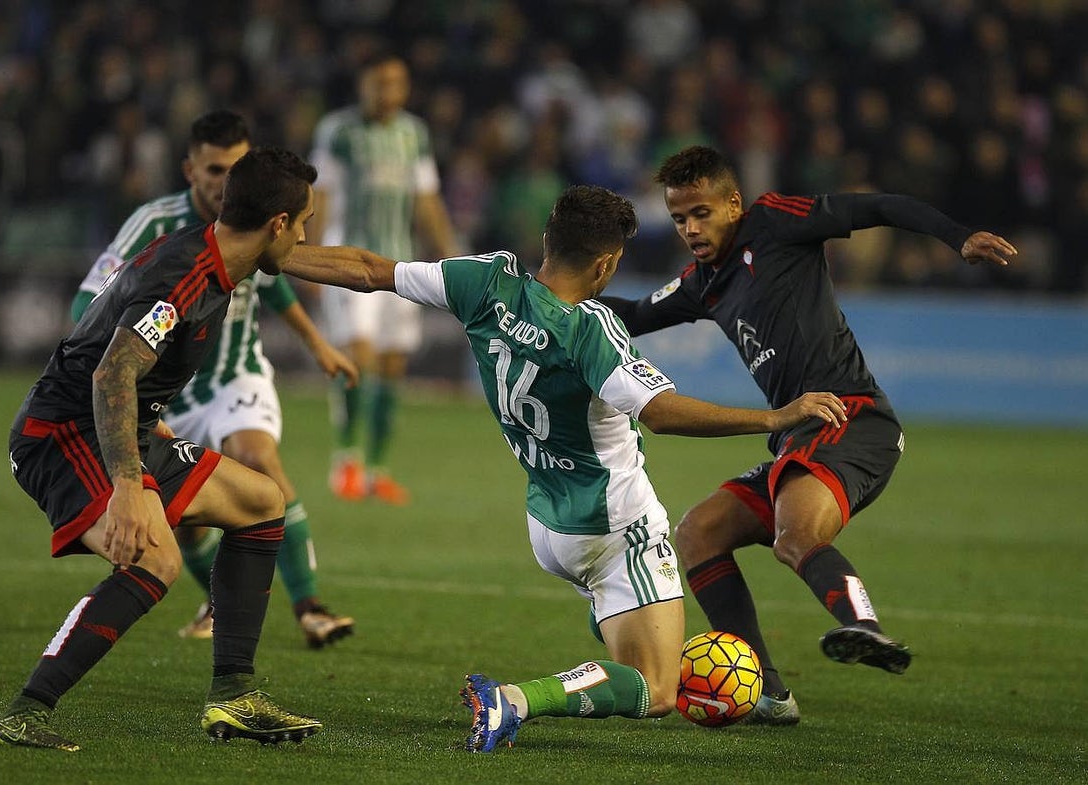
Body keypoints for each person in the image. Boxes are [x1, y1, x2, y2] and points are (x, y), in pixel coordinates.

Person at [280, 184, 848, 752]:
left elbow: (366, 269)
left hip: (548, 523)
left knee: (632, 633)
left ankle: (616, 615)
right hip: (616, 525)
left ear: (548, 239)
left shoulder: (486, 281)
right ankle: (517, 700)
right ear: (606, 263)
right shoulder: (589, 329)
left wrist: (272, 254)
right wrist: (775, 417)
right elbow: (662, 413)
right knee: (656, 689)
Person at [599, 145, 1018, 725]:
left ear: (733, 204)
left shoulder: (772, 223)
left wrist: (957, 236)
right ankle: (770, 694)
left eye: (702, 213)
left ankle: (864, 627)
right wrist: (551, 296)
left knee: (794, 538)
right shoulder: (702, 283)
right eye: (679, 218)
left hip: (850, 418)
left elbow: (880, 206)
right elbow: (634, 314)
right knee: (699, 532)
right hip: (800, 436)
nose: (691, 228)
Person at [0, 147, 329, 751]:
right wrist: (128, 486)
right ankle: (25, 710)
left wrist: (150, 424)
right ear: (278, 223)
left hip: (122, 430)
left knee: (260, 500)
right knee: (155, 559)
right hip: (64, 434)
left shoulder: (213, 262)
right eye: (301, 224)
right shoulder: (188, 276)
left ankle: (234, 696)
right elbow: (111, 375)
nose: (303, 237)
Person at [72, 110, 358, 648]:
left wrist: (317, 343)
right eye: (214, 169)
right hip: (165, 387)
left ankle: (309, 606)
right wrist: (117, 368)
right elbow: (90, 299)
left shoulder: (257, 223)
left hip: (234, 373)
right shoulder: (157, 226)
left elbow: (274, 283)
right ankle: (218, 603)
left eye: (235, 168)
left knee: (257, 458)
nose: (226, 181)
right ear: (190, 169)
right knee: (189, 523)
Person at [307, 51, 458, 505]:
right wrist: (312, 259)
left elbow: (426, 199)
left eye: (396, 82)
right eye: (379, 83)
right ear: (362, 85)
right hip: (350, 262)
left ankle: (377, 470)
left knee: (392, 365)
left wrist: (451, 257)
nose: (388, 92)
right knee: (359, 357)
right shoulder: (340, 131)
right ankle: (346, 461)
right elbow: (323, 192)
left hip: (399, 266)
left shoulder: (414, 133)